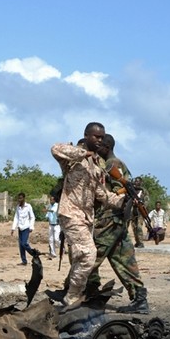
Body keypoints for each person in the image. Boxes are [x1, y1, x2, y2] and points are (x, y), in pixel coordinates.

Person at [51, 122, 124, 308]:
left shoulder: (97, 166)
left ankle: (74, 295)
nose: (100, 140)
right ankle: (72, 297)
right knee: (88, 254)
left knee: (80, 258)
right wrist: (84, 153)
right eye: (96, 137)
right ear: (86, 135)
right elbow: (55, 149)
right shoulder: (75, 157)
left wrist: (125, 197)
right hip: (71, 213)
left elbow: (103, 195)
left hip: (87, 218)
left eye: (102, 137)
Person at [85, 134, 148, 314]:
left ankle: (86, 295)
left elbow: (115, 193)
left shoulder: (112, 165)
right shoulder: (112, 164)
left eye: (99, 145)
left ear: (106, 147)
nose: (96, 147)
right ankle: (140, 299)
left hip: (108, 219)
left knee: (89, 258)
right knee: (124, 260)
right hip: (117, 220)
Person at [10, 193, 35, 265]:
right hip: (20, 227)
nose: (19, 200)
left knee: (24, 243)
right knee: (21, 245)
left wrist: (31, 226)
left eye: (20, 198)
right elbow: (16, 218)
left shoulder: (28, 206)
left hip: (26, 227)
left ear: (24, 198)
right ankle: (24, 261)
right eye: (18, 198)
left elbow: (32, 217)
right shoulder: (18, 207)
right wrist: (13, 228)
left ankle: (33, 253)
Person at [131, 177, 147, 248]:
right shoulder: (132, 190)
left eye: (138, 181)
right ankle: (137, 242)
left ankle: (141, 242)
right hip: (132, 211)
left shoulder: (143, 191)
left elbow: (147, 201)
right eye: (135, 181)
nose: (136, 182)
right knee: (134, 227)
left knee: (139, 227)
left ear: (141, 182)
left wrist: (142, 205)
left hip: (140, 211)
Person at [45, 195, 60, 260]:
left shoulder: (57, 205)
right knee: (51, 240)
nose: (50, 201)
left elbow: (53, 211)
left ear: (54, 200)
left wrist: (47, 210)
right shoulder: (50, 206)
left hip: (57, 225)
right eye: (50, 200)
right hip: (51, 225)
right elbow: (48, 215)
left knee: (56, 239)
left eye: (52, 200)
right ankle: (53, 253)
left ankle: (62, 247)